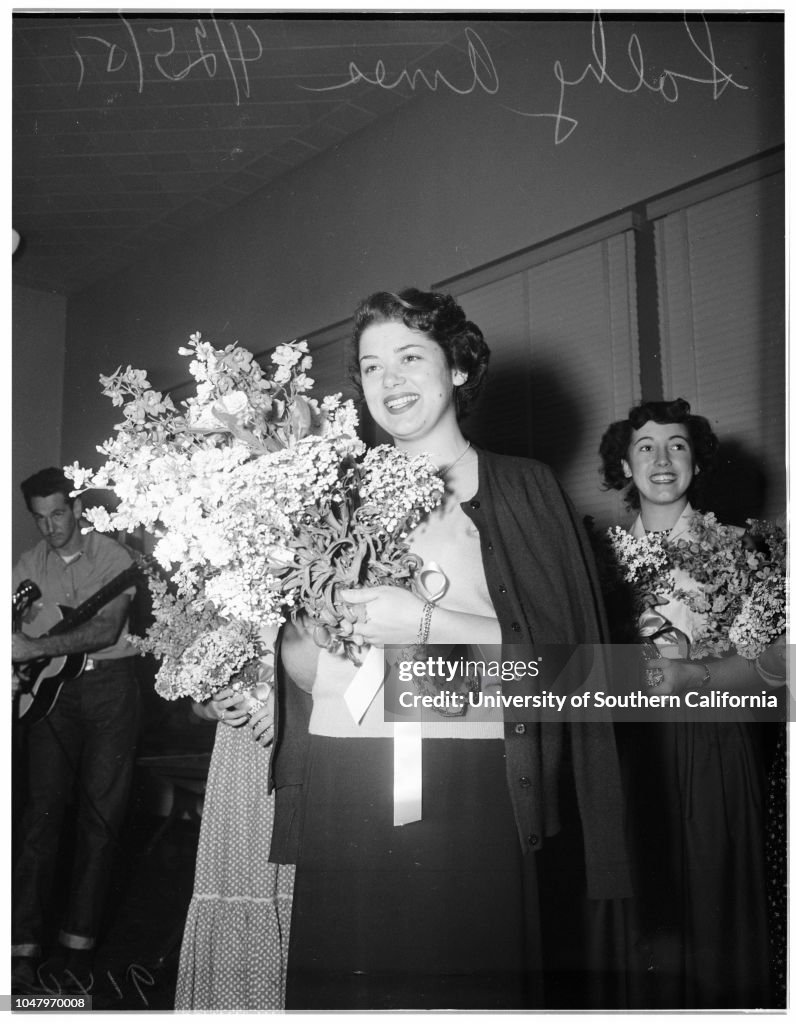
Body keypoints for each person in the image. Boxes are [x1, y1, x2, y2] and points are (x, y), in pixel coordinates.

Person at [270, 288, 631, 1010]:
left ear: (459, 368)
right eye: (372, 367)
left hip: (472, 777)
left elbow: (570, 664)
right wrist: (300, 640)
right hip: (348, 773)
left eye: (410, 357)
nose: (390, 382)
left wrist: (427, 622)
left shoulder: (522, 488)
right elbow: (308, 672)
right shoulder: (332, 494)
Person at [599, 399, 774, 1008]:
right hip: (626, 751)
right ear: (625, 465)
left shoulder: (745, 549)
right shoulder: (597, 559)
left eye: (677, 446)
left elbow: (778, 669)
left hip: (712, 745)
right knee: (640, 913)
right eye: (645, 447)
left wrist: (695, 668)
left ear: (696, 464)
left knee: (709, 904)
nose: (662, 459)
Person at [11, 467, 141, 993]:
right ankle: (21, 949)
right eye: (40, 519)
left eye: (59, 513)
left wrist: (35, 649)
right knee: (39, 820)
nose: (51, 528)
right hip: (50, 699)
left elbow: (106, 628)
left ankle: (79, 950)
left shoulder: (114, 558)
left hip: (110, 689)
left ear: (78, 508)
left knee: (100, 820)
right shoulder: (27, 564)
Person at [174, 659, 295, 1010]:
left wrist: (291, 705)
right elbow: (194, 694)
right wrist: (209, 706)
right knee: (245, 879)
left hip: (309, 744)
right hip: (243, 759)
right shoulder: (223, 608)